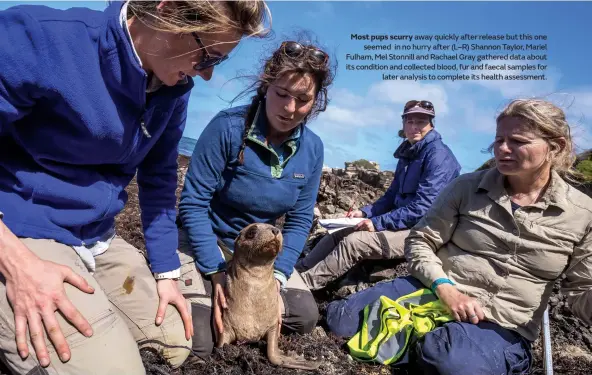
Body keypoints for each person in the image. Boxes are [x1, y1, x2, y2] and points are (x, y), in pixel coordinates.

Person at [0, 0, 269, 373]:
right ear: (168, 11)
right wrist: (16, 262)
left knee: (175, 344)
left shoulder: (175, 87)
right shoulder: (38, 37)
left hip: (97, 235)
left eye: (217, 62)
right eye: (208, 57)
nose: (206, 75)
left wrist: (167, 273)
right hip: (21, 230)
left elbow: (159, 178)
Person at [325, 99, 592, 374]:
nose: (502, 148)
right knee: (340, 319)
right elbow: (421, 240)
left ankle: (424, 346)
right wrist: (444, 287)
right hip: (432, 289)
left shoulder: (582, 214)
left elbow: (581, 291)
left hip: (501, 323)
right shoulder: (466, 187)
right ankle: (419, 343)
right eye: (499, 139)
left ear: (555, 146)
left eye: (518, 141)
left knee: (449, 360)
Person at [177, 39, 335, 358]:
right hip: (210, 241)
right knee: (202, 339)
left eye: (303, 99)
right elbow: (193, 203)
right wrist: (216, 272)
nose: (290, 108)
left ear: (316, 101)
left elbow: (301, 219)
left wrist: (276, 279)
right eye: (282, 94)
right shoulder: (228, 127)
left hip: (261, 259)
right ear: (266, 85)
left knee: (303, 315)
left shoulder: (313, 148)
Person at [295, 100, 461, 291]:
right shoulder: (409, 152)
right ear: (403, 124)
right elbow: (391, 196)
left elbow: (423, 208)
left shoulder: (438, 156)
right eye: (410, 121)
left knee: (354, 242)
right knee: (336, 235)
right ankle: (298, 271)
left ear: (431, 124)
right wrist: (365, 213)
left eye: (421, 122)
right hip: (403, 223)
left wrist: (377, 222)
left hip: (424, 232)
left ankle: (304, 286)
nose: (414, 127)